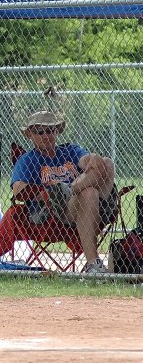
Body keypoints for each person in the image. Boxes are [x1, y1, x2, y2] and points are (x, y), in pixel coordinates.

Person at [11, 110, 116, 273]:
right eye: (40, 132)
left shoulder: (69, 150)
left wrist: (93, 158)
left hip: (91, 202)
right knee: (88, 193)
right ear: (30, 134)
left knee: (107, 163)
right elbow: (18, 190)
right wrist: (47, 193)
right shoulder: (28, 160)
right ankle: (93, 264)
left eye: (50, 130)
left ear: (57, 132)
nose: (46, 135)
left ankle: (71, 189)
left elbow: (88, 161)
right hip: (56, 211)